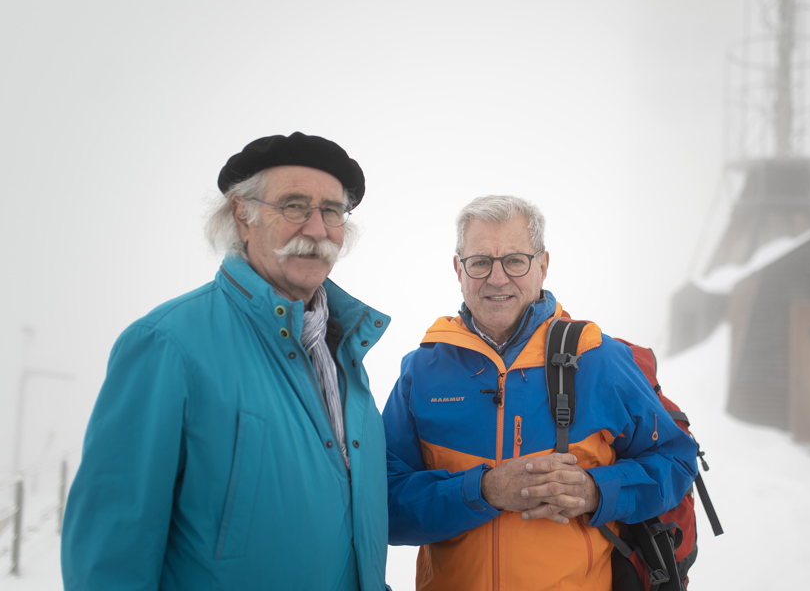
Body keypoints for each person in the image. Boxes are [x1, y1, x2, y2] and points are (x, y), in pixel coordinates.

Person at [62, 132, 392, 590]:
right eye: (294, 206)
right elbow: (110, 555)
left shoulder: (344, 351)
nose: (317, 230)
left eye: (331, 211)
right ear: (242, 214)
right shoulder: (168, 344)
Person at [382, 195, 700, 590]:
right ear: (458, 269)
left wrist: (596, 491)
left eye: (515, 260)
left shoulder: (597, 359)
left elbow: (676, 462)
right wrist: (484, 491)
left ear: (543, 266)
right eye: (480, 262)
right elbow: (383, 505)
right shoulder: (421, 372)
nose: (497, 278)